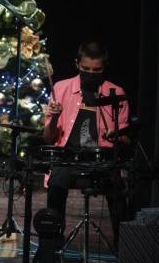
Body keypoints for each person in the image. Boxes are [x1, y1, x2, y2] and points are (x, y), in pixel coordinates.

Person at [42, 41, 131, 251]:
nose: (91, 74)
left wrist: (116, 135)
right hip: (68, 157)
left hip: (101, 160)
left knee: (119, 191)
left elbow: (127, 141)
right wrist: (53, 118)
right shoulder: (61, 88)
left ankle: (125, 253)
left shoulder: (116, 93)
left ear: (104, 67)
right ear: (77, 65)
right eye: (86, 70)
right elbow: (48, 138)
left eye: (97, 70)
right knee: (56, 183)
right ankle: (52, 250)